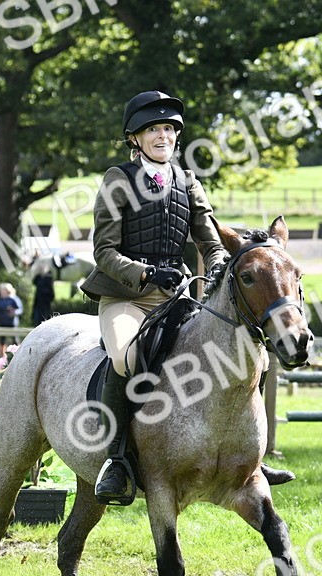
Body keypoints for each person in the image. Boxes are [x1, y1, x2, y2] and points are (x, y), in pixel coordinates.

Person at [79, 90, 233, 504]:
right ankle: (116, 459)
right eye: (153, 130)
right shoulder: (118, 180)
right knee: (125, 358)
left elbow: (210, 240)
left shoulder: (188, 182)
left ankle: (243, 455)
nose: (162, 136)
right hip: (126, 298)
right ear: (135, 138)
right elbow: (104, 253)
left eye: (168, 129)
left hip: (176, 298)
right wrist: (146, 272)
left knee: (237, 347)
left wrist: (218, 265)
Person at [0, 282, 24, 356]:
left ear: (7, 291)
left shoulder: (14, 299)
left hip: (12, 323)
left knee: (14, 340)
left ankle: (18, 355)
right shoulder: (1, 300)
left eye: (2, 290)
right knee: (2, 341)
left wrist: (14, 312)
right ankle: (2, 356)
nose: (1, 292)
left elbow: (20, 310)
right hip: (2, 323)